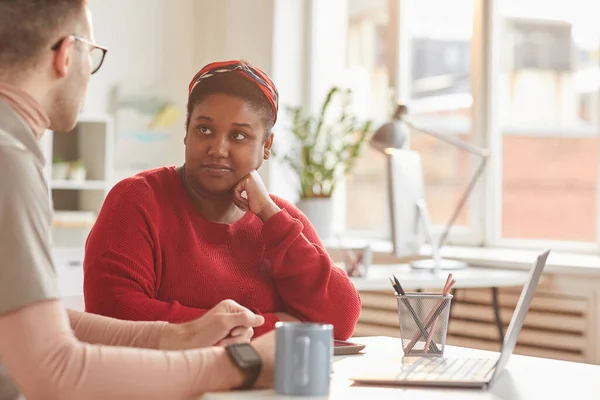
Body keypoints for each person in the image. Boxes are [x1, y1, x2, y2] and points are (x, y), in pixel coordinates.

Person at [0, 1, 275, 399]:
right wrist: (243, 364)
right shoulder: (9, 159)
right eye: (93, 56)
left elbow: (27, 323)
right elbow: (52, 370)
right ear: (66, 54)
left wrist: (176, 335)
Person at [82, 60, 362, 340]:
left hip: (265, 385)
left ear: (266, 146)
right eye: (204, 129)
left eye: (238, 135)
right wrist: (278, 327)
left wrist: (269, 215)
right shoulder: (136, 201)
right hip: (167, 384)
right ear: (186, 131)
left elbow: (341, 320)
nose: (217, 149)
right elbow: (114, 316)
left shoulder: (282, 219)